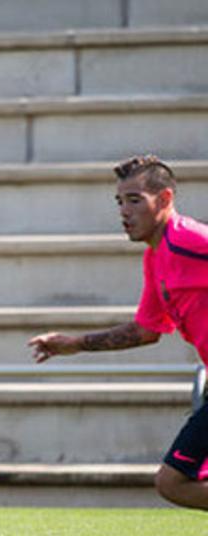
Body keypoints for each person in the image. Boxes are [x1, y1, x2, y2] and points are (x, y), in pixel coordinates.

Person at [28, 155, 208, 512]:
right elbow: (145, 331)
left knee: (173, 481)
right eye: (120, 202)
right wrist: (74, 344)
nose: (124, 211)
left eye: (135, 200)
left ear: (166, 200)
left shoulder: (189, 240)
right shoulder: (155, 257)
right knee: (175, 483)